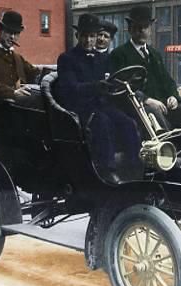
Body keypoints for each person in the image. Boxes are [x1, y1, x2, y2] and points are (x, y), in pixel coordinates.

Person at [56, 13, 141, 181]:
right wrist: (97, 87)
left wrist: (128, 85)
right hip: (79, 108)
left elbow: (113, 80)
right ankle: (107, 172)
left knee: (129, 122)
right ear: (77, 35)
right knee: (104, 123)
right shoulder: (67, 59)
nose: (88, 40)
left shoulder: (103, 58)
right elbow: (71, 89)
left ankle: (135, 167)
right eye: (84, 36)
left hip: (102, 105)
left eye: (92, 36)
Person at [110, 5, 181, 130]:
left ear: (150, 29)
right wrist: (147, 100)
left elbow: (167, 80)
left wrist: (173, 96)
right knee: (157, 118)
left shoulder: (155, 54)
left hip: (163, 105)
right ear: (130, 30)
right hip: (139, 107)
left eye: (145, 27)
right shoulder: (119, 54)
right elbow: (121, 87)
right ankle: (168, 148)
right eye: (137, 27)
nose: (142, 30)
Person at [0, 10, 41, 104]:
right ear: (0, 31)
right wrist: (13, 93)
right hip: (2, 108)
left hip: (22, 106)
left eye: (16, 33)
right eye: (9, 32)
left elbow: (34, 73)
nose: (12, 37)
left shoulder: (18, 58)